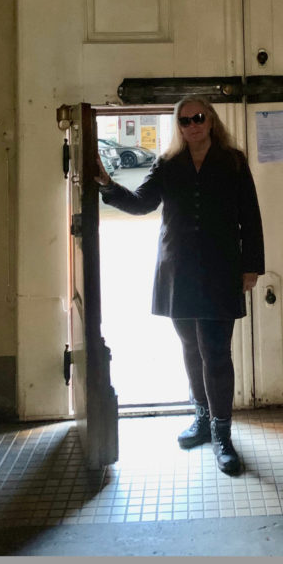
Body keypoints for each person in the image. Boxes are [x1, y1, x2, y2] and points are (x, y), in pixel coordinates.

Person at [95, 96, 264, 475]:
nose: (193, 125)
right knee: (190, 346)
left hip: (221, 270)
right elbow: (141, 203)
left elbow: (250, 217)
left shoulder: (233, 161)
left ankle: (223, 434)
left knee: (216, 353)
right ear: (179, 125)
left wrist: (251, 267)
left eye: (199, 118)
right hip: (179, 270)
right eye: (185, 120)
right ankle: (202, 420)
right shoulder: (168, 164)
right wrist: (106, 184)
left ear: (211, 120)